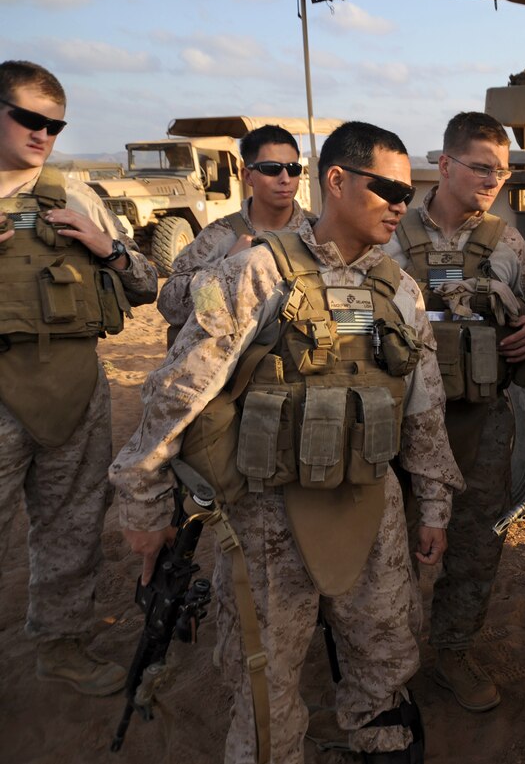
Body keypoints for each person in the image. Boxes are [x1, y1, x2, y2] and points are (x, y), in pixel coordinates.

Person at [112, 121, 463, 763]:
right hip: (268, 513)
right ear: (336, 180)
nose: (401, 204)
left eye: (409, 191)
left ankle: (378, 741)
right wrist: (142, 500)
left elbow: (423, 404)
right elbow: (176, 389)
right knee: (264, 673)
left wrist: (434, 504)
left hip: (368, 504)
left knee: (385, 646)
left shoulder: (400, 289)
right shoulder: (252, 272)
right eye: (387, 187)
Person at [383, 111, 525, 712]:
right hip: (400, 426)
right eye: (482, 167)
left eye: (503, 172)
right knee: (393, 545)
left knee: (477, 543)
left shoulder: (506, 241)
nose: (494, 181)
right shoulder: (389, 232)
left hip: (482, 420)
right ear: (446, 164)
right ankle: (389, 662)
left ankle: (452, 650)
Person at [0, 60, 158, 697]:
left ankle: (61, 646)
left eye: (55, 125)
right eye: (30, 120)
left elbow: (146, 284)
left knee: (72, 524)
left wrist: (107, 247)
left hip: (74, 383)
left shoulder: (77, 197)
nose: (44, 135)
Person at [157, 124, 310, 344]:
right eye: (271, 169)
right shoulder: (218, 236)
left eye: (293, 168)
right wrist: (225, 268)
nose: (285, 178)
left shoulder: (316, 233)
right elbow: (171, 307)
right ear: (247, 176)